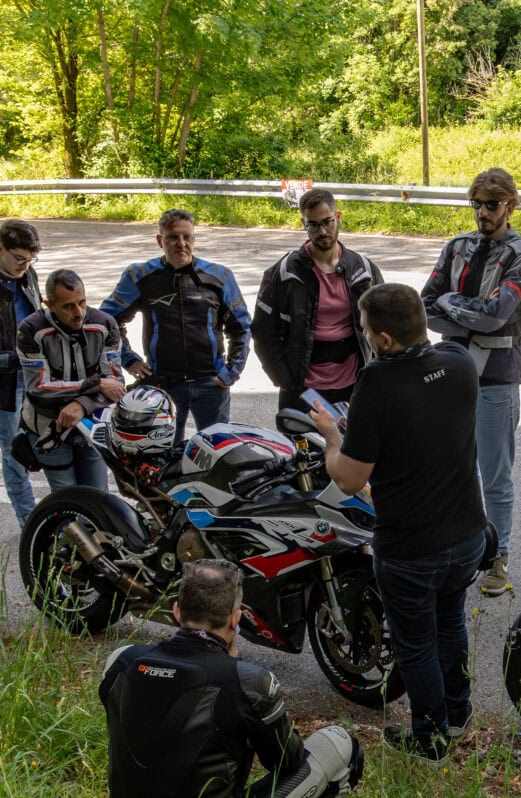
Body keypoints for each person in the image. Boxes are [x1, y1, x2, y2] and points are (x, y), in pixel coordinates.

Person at [310, 283, 487, 767]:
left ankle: (430, 737)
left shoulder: (379, 381)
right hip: (467, 534)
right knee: (450, 622)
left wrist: (332, 438)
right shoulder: (460, 362)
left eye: (367, 331)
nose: (366, 339)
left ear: (383, 339)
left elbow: (350, 479)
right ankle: (458, 713)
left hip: (411, 545)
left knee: (416, 643)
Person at [99, 559, 364, 798]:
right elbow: (288, 762)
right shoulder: (248, 681)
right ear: (235, 619)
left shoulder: (121, 660)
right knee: (339, 743)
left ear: (176, 611)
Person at [421, 168, 521, 597]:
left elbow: (496, 316)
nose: (483, 212)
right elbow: (425, 307)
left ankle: (498, 556)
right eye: (477, 204)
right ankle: (461, 550)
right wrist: (466, 310)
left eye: (492, 204)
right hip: (452, 373)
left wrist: (451, 303)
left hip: (497, 376)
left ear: (510, 207)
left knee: (495, 476)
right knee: (453, 470)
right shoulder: (457, 247)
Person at [100, 209, 251, 441]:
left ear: (194, 239)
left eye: (187, 237)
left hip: (211, 383)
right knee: (164, 453)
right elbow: (106, 321)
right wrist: (128, 359)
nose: (181, 243)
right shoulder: (140, 276)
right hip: (163, 384)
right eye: (173, 237)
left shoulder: (219, 276)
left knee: (216, 449)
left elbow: (241, 327)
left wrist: (231, 372)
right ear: (160, 240)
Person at [252, 188, 383, 411]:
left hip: (354, 384)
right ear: (303, 223)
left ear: (338, 217)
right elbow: (263, 332)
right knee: (303, 436)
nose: (322, 231)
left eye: (327, 222)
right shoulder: (283, 273)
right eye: (313, 225)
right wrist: (284, 379)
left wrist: (377, 371)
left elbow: (385, 325)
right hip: (302, 388)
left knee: (353, 436)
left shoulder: (364, 270)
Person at [17, 269, 125, 492]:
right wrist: (94, 384)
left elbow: (115, 385)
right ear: (49, 305)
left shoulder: (105, 324)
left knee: (97, 494)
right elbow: (38, 388)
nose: (78, 313)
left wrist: (81, 405)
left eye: (82, 302)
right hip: (48, 425)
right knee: (66, 496)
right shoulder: (30, 329)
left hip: (91, 421)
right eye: (68, 306)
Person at [0, 219, 41, 526]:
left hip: (33, 378)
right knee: (14, 455)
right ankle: (29, 524)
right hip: (7, 384)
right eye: (19, 258)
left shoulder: (28, 276)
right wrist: (16, 359)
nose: (25, 266)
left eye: (30, 260)